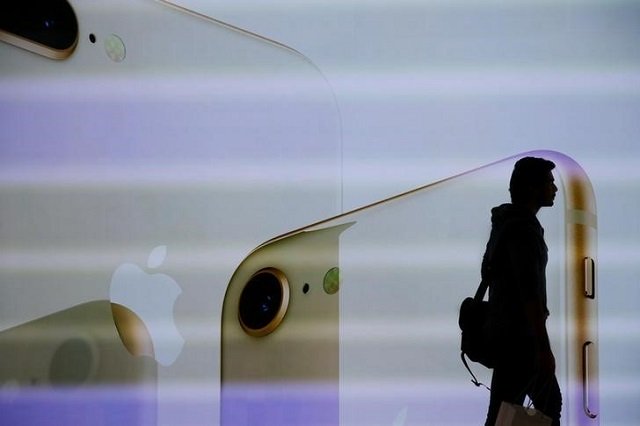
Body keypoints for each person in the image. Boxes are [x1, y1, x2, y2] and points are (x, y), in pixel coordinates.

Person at [482, 157, 562, 426]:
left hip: (505, 335)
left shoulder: (503, 225)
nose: (555, 188)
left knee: (501, 411)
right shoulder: (524, 230)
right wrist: (543, 348)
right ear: (532, 187)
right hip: (522, 340)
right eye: (549, 182)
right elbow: (530, 292)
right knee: (549, 405)